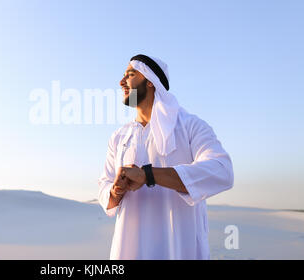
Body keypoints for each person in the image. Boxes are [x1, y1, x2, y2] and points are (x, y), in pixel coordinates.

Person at [97, 54, 234, 259]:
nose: (121, 81)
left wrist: (148, 175)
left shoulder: (190, 126)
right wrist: (115, 191)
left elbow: (222, 170)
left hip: (178, 247)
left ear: (150, 81)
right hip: (129, 248)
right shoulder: (119, 137)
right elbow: (103, 185)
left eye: (130, 74)